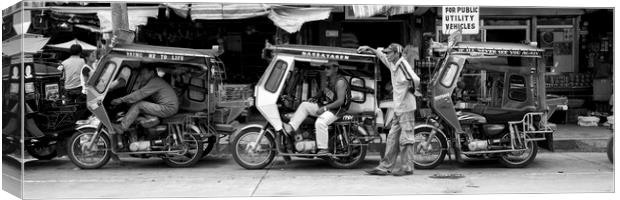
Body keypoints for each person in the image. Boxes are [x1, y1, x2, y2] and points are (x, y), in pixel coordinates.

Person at [358, 43, 420, 176]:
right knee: (392, 138)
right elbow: (381, 54)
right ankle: (384, 167)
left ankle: (407, 168)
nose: (387, 55)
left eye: (390, 53)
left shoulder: (402, 65)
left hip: (406, 108)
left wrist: (412, 91)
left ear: (397, 53)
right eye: (387, 52)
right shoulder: (393, 63)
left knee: (406, 139)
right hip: (398, 108)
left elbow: (415, 79)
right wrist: (370, 48)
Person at [282, 62, 351, 155]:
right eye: (325, 68)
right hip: (327, 105)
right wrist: (315, 97)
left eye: (328, 68)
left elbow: (340, 101)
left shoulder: (340, 82)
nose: (325, 70)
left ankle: (324, 149)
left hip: (337, 109)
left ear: (336, 69)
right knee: (304, 105)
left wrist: (324, 108)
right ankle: (291, 128)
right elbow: (323, 92)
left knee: (320, 122)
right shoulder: (329, 79)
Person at [109, 65, 179, 134]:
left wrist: (121, 100)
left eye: (143, 74)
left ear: (151, 73)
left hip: (168, 108)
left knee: (139, 105)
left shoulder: (155, 82)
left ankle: (122, 127)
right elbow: (140, 93)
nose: (142, 76)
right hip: (168, 107)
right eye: (141, 74)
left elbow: (140, 94)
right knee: (137, 104)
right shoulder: (153, 81)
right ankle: (152, 119)